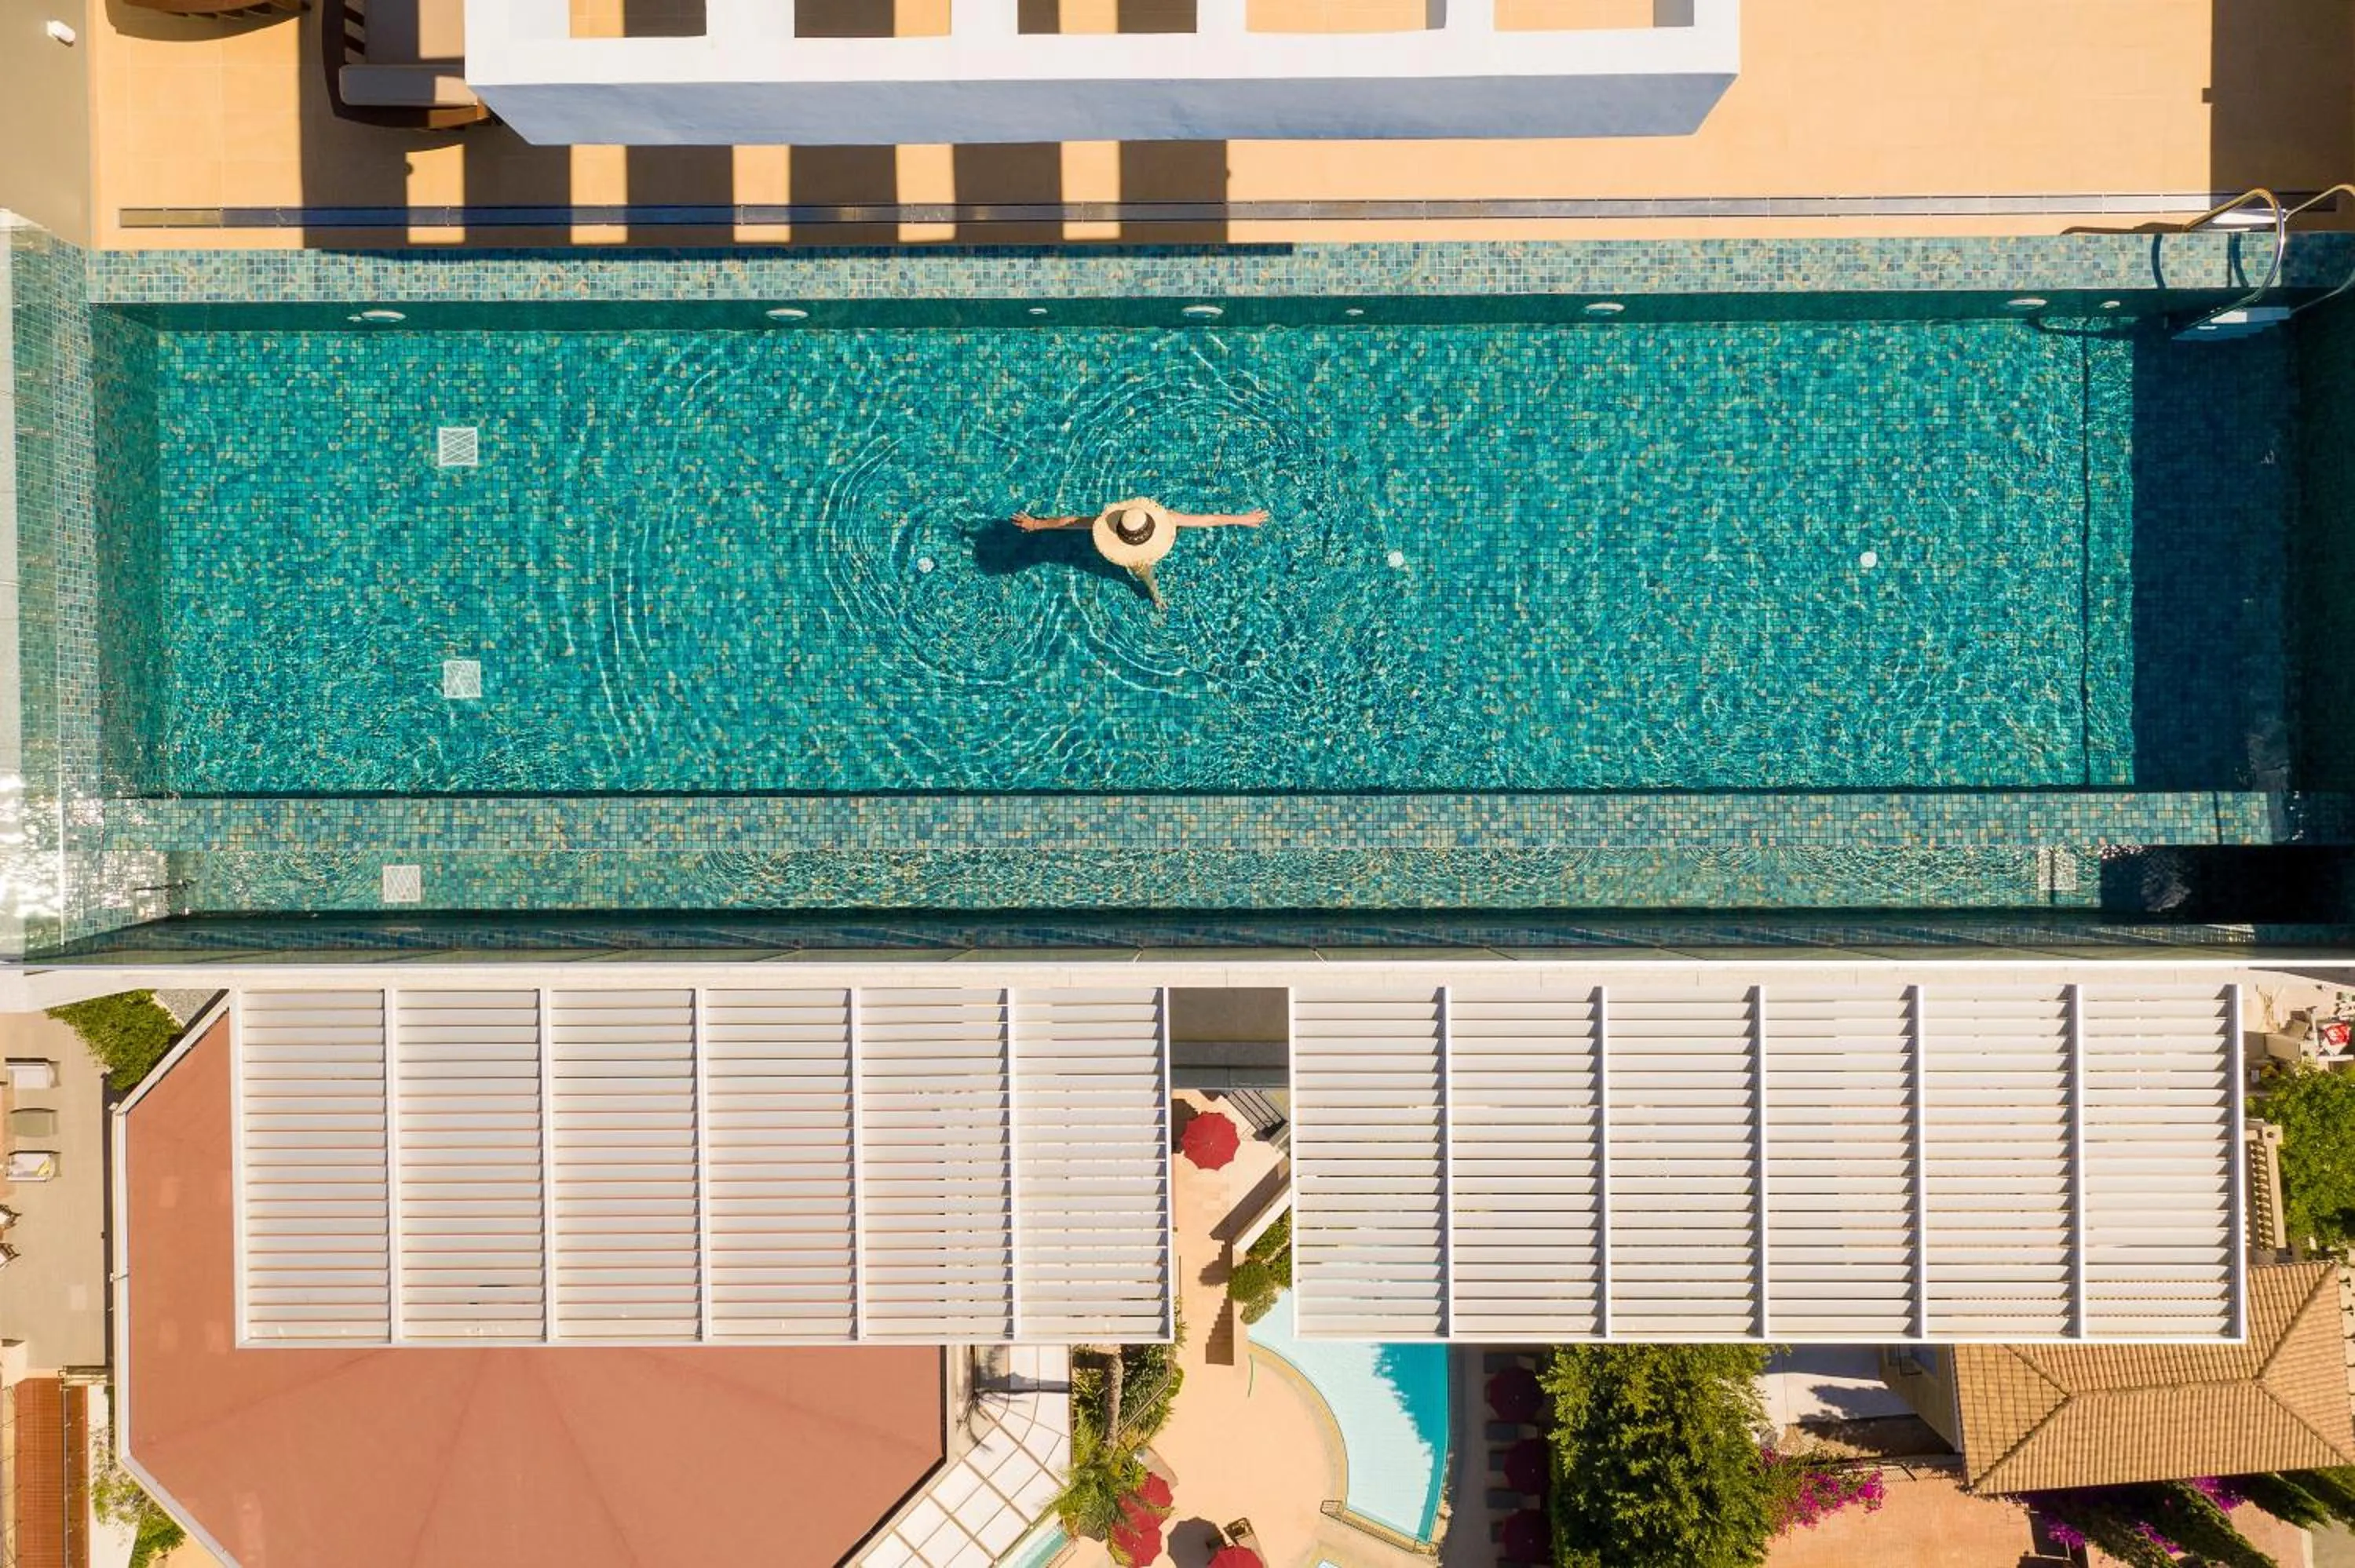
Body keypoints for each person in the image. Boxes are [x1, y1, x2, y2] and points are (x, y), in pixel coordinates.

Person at [1014, 497, 1268, 609]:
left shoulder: (1117, 521)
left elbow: (1071, 522)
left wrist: (1036, 524)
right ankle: (1156, 597)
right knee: (1146, 577)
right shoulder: (1161, 525)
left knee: (1145, 573)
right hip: (1141, 559)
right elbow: (1206, 519)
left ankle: (1155, 596)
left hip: (1134, 545)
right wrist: (1242, 518)